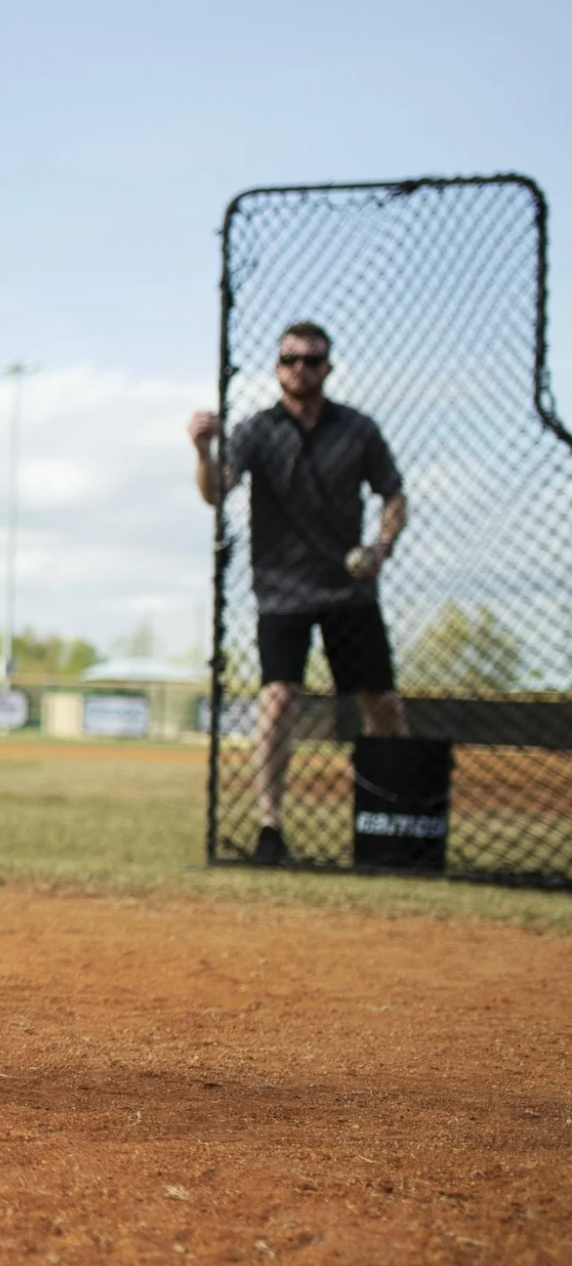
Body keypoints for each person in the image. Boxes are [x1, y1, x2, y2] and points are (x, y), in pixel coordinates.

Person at [190, 319, 409, 864]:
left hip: (348, 588)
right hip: (282, 589)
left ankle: (398, 820)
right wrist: (202, 450)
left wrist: (381, 548)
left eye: (312, 360)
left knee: (381, 701)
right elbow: (217, 493)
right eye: (290, 359)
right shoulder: (258, 430)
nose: (300, 369)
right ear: (277, 367)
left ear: (328, 368)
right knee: (278, 696)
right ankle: (270, 827)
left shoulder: (357, 430)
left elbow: (393, 496)